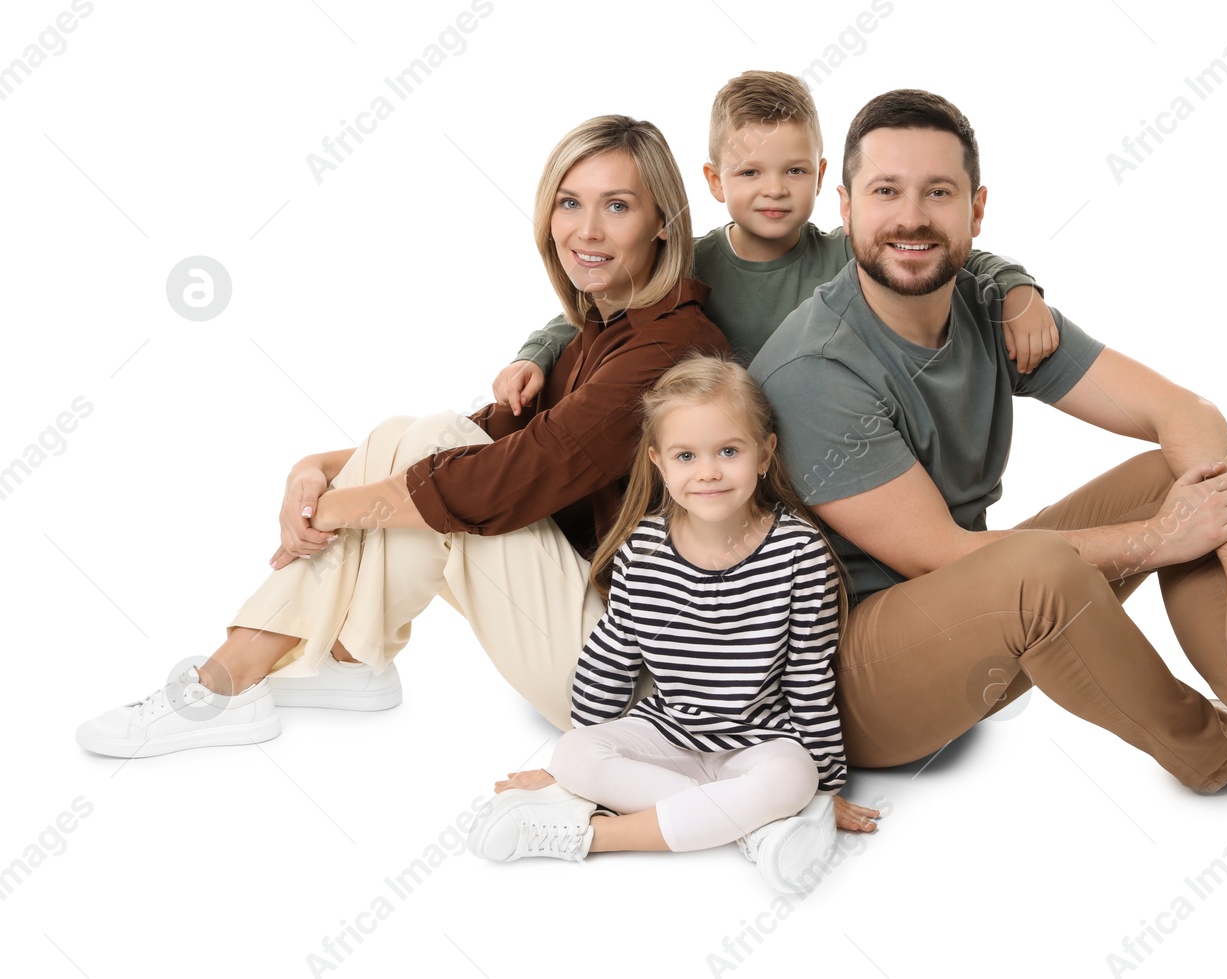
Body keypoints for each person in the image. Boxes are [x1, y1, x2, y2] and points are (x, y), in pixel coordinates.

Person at [748, 88, 1227, 886]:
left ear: (977, 210)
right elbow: (942, 555)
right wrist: (1162, 540)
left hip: (962, 616)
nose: (911, 217)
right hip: (843, 680)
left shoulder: (986, 302)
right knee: (1043, 567)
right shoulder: (818, 369)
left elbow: (1182, 412)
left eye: (937, 192)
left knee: (1173, 475)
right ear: (844, 207)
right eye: (885, 192)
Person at [75, 114, 729, 757]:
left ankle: (225, 681)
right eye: (569, 203)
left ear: (663, 225)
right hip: (597, 644)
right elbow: (481, 438)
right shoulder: (598, 335)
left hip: (649, 696)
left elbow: (503, 477)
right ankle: (341, 658)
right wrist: (314, 468)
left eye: (617, 205)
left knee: (438, 460)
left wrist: (328, 507)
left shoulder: (672, 350)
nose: (585, 230)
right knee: (413, 437)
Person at [466, 356, 851, 894]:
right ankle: (755, 829)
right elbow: (612, 652)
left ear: (764, 455)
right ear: (659, 463)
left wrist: (828, 786)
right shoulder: (643, 549)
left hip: (760, 742)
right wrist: (570, 770)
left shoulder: (798, 552)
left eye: (729, 452)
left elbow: (808, 674)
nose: (709, 471)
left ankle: (589, 835)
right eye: (686, 455)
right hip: (669, 734)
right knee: (575, 752)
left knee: (796, 777)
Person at [490, 70, 1060, 419]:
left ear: (819, 176)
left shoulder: (847, 255)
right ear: (714, 182)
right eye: (748, 174)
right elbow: (600, 299)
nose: (773, 192)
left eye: (791, 171)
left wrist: (1016, 290)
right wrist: (533, 355)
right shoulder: (690, 263)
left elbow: (961, 255)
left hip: (834, 451)